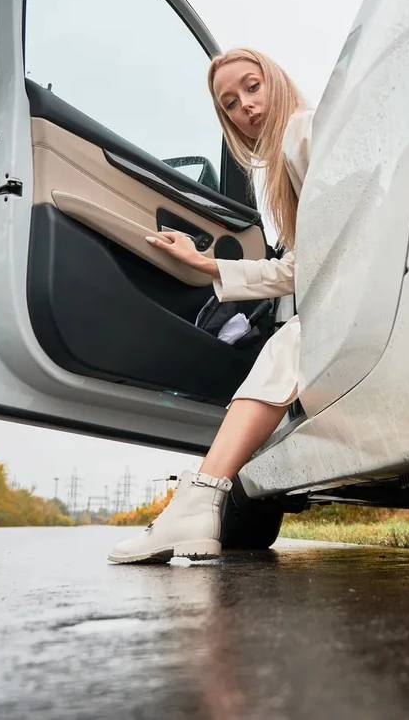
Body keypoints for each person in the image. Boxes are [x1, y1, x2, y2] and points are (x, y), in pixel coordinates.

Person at [108, 48, 313, 564]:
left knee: (287, 343)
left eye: (252, 86)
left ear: (276, 82)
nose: (245, 105)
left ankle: (195, 505)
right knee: (285, 344)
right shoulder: (286, 163)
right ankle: (197, 505)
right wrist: (204, 264)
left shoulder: (305, 131)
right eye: (230, 102)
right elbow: (296, 266)